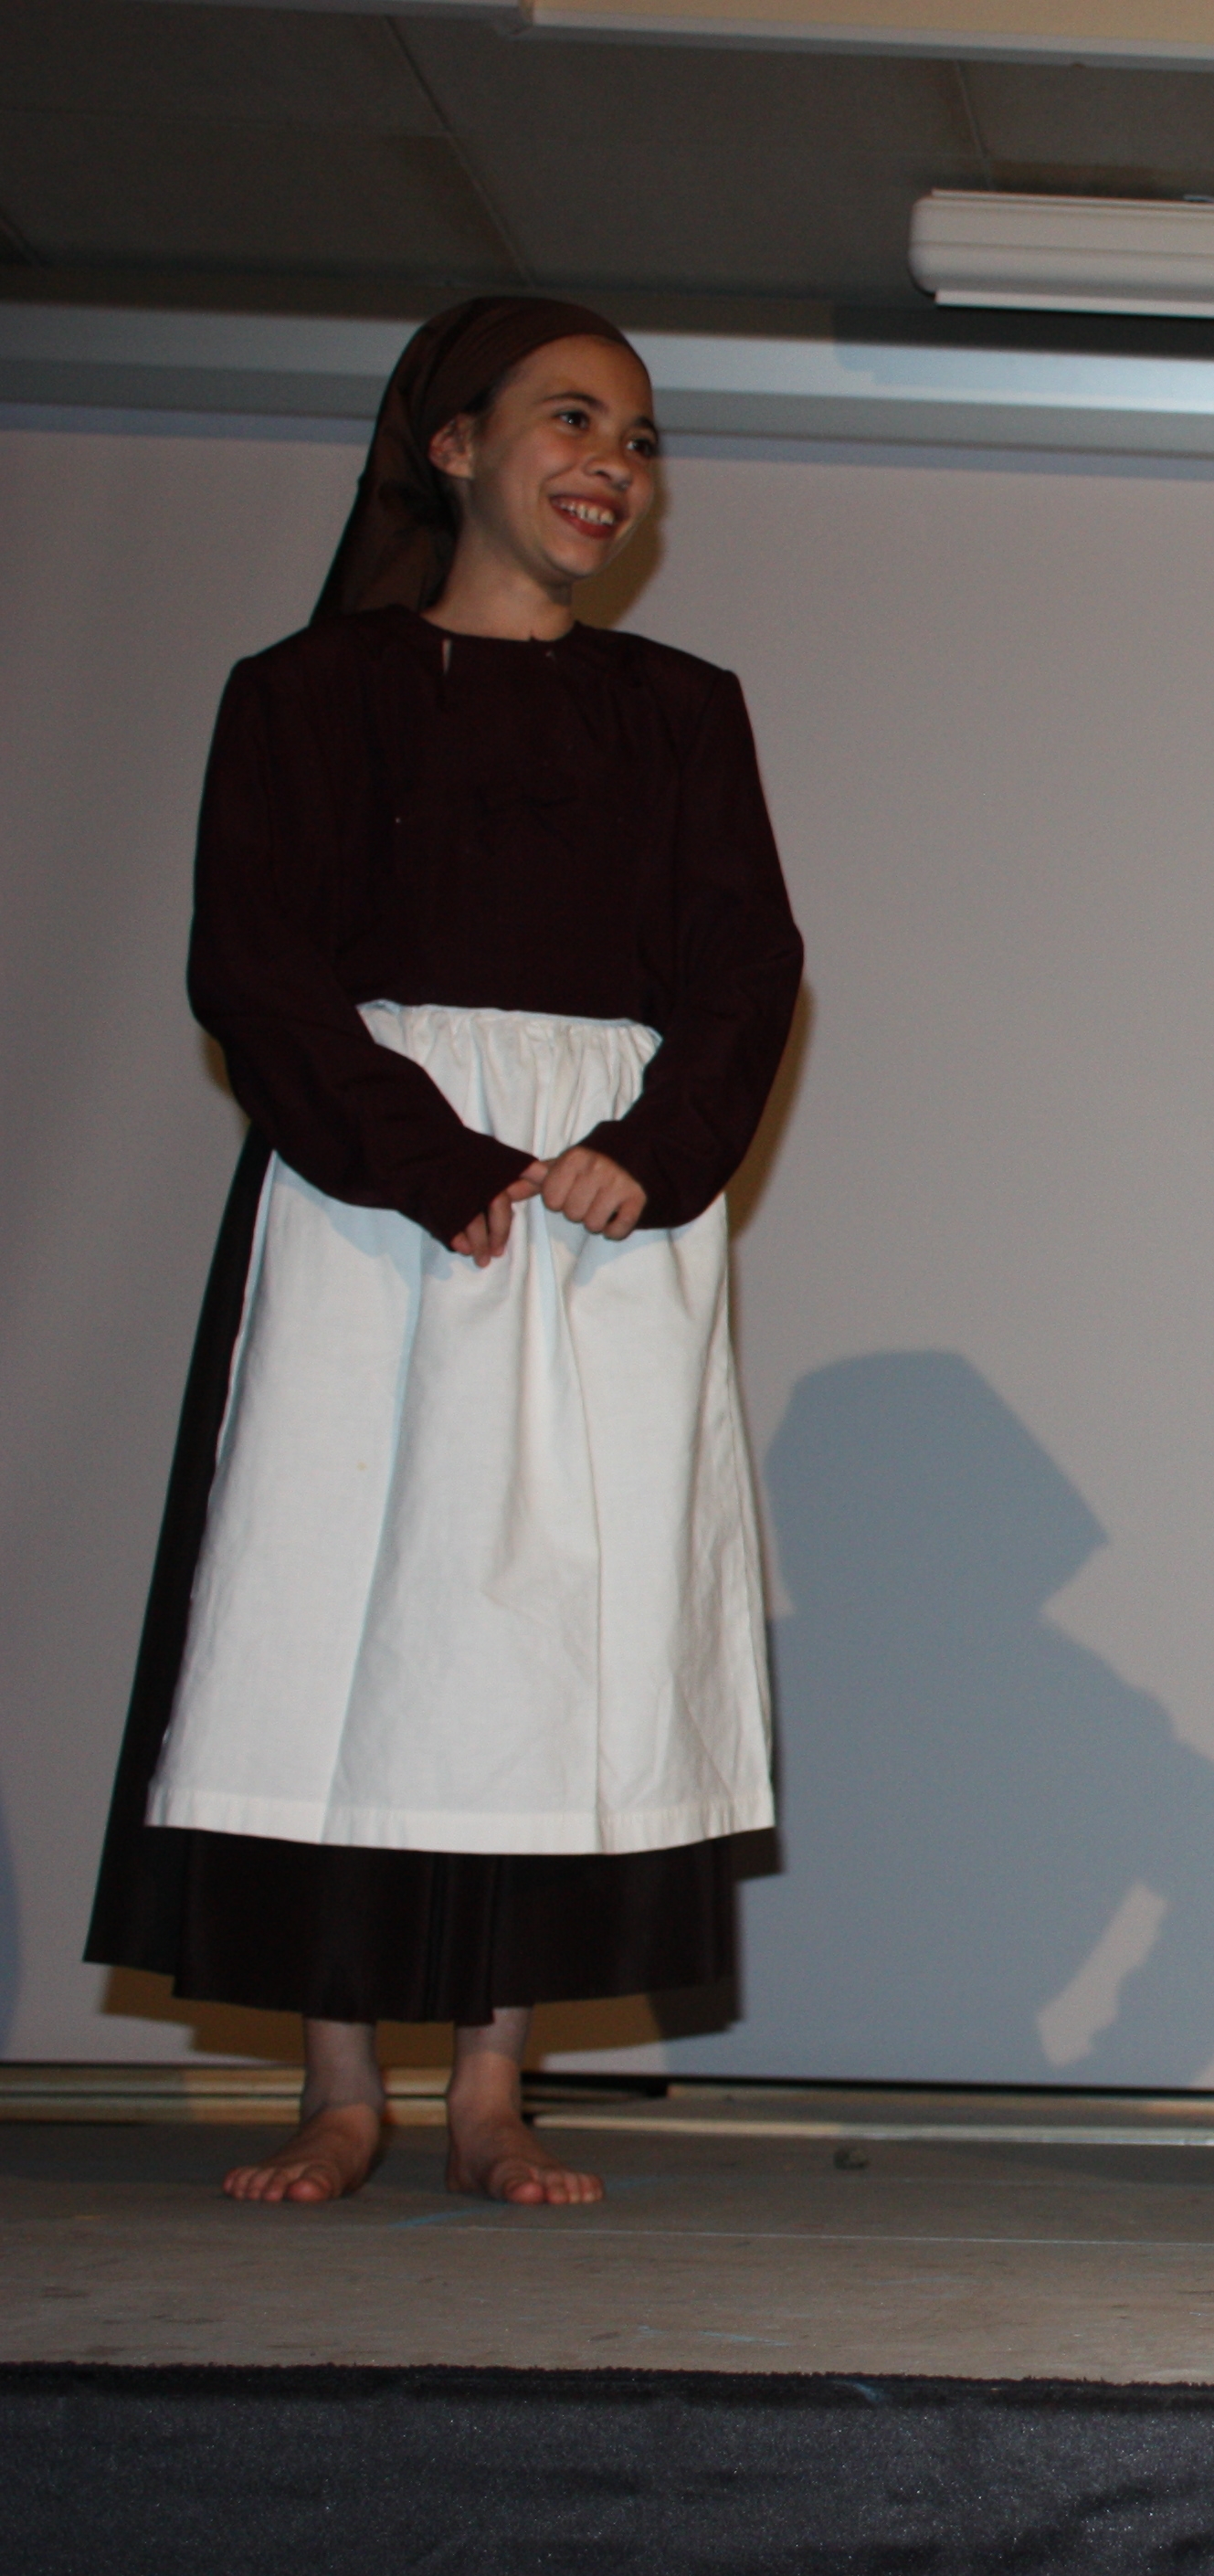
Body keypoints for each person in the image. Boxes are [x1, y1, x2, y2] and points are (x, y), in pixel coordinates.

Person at [84, 298, 803, 2208]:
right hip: (375, 1201)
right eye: (573, 420)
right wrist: (424, 1155)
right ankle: (341, 2083)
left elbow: (747, 966)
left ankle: (494, 2085)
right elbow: (253, 959)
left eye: (639, 439)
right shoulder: (309, 694)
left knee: (554, 1628)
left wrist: (651, 1153)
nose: (613, 466)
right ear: (454, 445)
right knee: (343, 1598)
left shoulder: (680, 709)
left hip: (599, 1208)